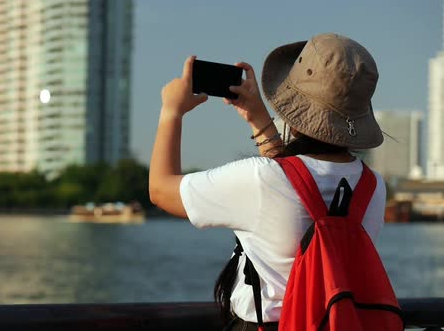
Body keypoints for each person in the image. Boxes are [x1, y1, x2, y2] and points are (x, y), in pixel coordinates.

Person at [148, 33, 387, 331]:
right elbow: (294, 182)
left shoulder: (260, 178)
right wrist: (259, 122)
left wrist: (172, 111)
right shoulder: (373, 186)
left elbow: (160, 190)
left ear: (292, 104)